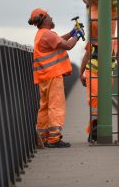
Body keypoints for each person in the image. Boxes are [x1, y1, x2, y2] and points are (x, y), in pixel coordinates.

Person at [28, 8, 84, 148]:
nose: (51, 18)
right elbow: (67, 45)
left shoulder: (41, 34)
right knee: (56, 107)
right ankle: (54, 139)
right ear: (44, 19)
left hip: (44, 76)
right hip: (53, 75)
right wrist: (77, 35)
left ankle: (42, 137)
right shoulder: (47, 34)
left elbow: (58, 40)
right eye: (49, 16)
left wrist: (72, 33)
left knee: (45, 107)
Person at [79, 40, 119, 142]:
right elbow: (86, 56)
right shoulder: (93, 40)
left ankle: (93, 131)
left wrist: (117, 54)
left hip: (107, 75)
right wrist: (81, 74)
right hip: (92, 72)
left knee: (103, 102)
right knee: (95, 99)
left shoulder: (116, 41)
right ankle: (94, 131)